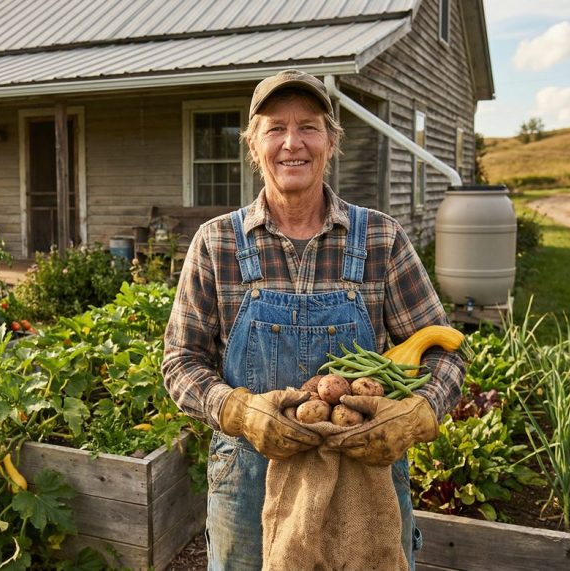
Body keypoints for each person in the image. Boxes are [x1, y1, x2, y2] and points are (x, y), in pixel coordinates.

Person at [162, 69, 466, 570]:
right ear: (253, 146)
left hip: (364, 479)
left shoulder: (380, 240)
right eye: (275, 128)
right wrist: (237, 411)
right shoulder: (216, 243)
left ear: (331, 142)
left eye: (309, 126)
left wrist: (420, 413)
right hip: (249, 483)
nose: (292, 143)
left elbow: (446, 351)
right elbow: (180, 361)